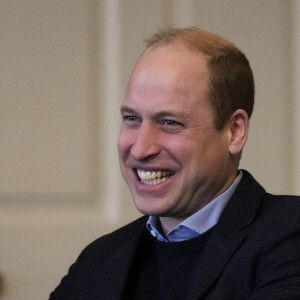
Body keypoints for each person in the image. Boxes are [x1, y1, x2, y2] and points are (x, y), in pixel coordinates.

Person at [50, 27, 300, 299]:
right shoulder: (98, 260)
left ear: (235, 132)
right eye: (132, 119)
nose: (141, 148)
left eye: (170, 122)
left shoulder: (289, 237)